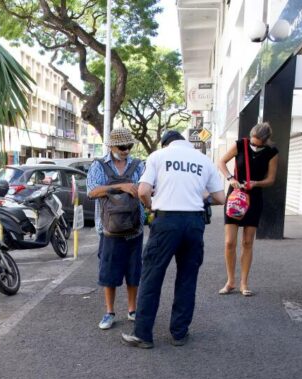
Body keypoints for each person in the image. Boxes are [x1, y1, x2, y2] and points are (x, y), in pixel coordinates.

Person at [121, 131, 228, 349]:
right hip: (194, 223)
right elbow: (220, 198)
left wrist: (151, 205)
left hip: (166, 221)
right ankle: (179, 333)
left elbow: (143, 190)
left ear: (165, 143)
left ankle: (143, 334)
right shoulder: (203, 160)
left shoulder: (158, 156)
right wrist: (199, 197)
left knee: (152, 276)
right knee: (187, 278)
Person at [86, 128, 145, 330]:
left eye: (129, 146)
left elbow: (147, 188)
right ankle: (109, 312)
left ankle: (132, 309)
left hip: (134, 228)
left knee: (134, 271)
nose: (126, 150)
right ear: (111, 146)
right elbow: (92, 192)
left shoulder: (138, 165)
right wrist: (120, 187)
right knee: (109, 272)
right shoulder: (99, 166)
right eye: (122, 147)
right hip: (108, 229)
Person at [216, 122, 278, 297]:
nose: (254, 146)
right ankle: (230, 281)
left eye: (258, 144)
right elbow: (221, 162)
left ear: (266, 141)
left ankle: (244, 283)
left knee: (248, 242)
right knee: (229, 242)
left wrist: (256, 183)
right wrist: (230, 178)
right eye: (253, 142)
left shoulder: (272, 152)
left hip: (254, 197)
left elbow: (271, 179)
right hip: (235, 196)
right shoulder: (240, 145)